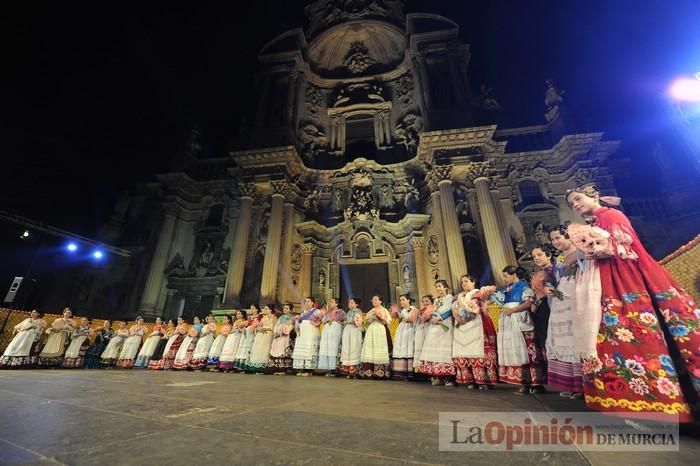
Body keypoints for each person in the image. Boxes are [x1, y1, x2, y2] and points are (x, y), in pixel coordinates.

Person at [566, 184, 700, 421]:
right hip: (608, 278)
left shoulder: (612, 215)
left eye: (577, 199)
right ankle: (636, 398)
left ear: (594, 194)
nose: (575, 205)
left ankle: (660, 400)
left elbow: (625, 247)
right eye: (571, 204)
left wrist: (593, 249)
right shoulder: (595, 223)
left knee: (635, 330)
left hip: (627, 278)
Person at [546, 225, 584, 399]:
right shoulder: (560, 258)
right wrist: (551, 289)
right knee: (562, 338)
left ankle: (584, 384)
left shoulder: (580, 251)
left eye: (558, 238)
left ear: (568, 236)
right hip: (561, 298)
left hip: (576, 295)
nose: (555, 242)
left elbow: (584, 273)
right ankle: (571, 383)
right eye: (553, 240)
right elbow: (557, 279)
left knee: (577, 337)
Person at [497, 266, 546, 394]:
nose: (504, 279)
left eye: (506, 276)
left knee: (529, 352)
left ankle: (537, 383)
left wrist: (512, 310)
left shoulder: (524, 287)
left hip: (522, 322)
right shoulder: (507, 289)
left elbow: (528, 303)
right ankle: (525, 381)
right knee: (518, 352)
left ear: (514, 274)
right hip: (510, 322)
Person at [452, 275, 498, 390]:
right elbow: (455, 309)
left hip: (477, 324)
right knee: (466, 351)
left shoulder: (478, 293)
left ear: (473, 282)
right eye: (462, 282)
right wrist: (458, 318)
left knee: (479, 350)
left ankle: (484, 380)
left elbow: (481, 306)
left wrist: (468, 315)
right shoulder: (459, 296)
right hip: (463, 327)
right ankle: (472, 379)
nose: (463, 284)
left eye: (466, 281)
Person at [419, 281, 456, 386]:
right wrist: (432, 317)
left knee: (444, 350)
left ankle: (449, 378)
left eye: (440, 286)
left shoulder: (449, 297)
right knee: (434, 349)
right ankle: (438, 376)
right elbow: (433, 310)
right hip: (434, 326)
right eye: (436, 287)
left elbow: (448, 310)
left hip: (444, 324)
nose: (438, 289)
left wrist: (439, 317)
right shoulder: (436, 300)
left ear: (445, 287)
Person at [530, 245, 554, 385]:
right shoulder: (538, 274)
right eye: (534, 257)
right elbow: (535, 292)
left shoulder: (555, 270)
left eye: (539, 255)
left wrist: (539, 299)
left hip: (550, 306)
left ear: (549, 255)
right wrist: (534, 300)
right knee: (543, 339)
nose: (536, 258)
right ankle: (549, 373)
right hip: (539, 310)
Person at [359, 295, 393, 379]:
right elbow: (366, 322)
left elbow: (388, 321)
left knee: (379, 348)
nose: (373, 301)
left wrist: (380, 318)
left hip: (380, 329)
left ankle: (379, 372)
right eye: (372, 300)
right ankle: (368, 372)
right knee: (370, 348)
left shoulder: (384, 310)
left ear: (380, 301)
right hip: (371, 330)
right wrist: (368, 319)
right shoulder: (371, 311)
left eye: (376, 299)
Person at [292, 297, 322, 376]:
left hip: (311, 332)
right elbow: (300, 322)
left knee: (310, 349)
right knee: (303, 350)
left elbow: (323, 318)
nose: (307, 303)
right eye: (305, 301)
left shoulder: (316, 311)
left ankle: (309, 370)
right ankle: (303, 368)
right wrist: (298, 320)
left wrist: (317, 323)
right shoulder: (303, 313)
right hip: (303, 334)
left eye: (309, 301)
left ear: (313, 303)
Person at [391, 294, 418, 379]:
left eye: (403, 299)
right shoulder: (402, 310)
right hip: (402, 328)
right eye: (400, 300)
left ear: (408, 300)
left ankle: (410, 372)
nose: (401, 302)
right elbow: (396, 317)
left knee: (408, 347)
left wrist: (403, 315)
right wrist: (395, 313)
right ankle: (400, 372)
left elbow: (412, 319)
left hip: (409, 329)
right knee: (400, 347)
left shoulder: (413, 309)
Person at [318, 298, 346, 376]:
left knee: (334, 347)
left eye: (332, 302)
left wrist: (332, 319)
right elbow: (323, 320)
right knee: (326, 347)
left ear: (336, 304)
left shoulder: (341, 312)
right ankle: (328, 368)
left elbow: (342, 320)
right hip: (327, 329)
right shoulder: (328, 312)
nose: (330, 303)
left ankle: (335, 369)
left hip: (335, 329)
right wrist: (327, 315)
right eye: (330, 302)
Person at [339, 297, 364, 378]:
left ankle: (354, 369)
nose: (350, 304)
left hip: (354, 330)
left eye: (352, 302)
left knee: (354, 347)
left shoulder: (358, 311)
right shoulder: (349, 312)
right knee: (347, 347)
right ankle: (347, 367)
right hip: (348, 329)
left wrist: (352, 321)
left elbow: (359, 322)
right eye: (349, 302)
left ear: (356, 304)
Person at [247, 305, 276, 373]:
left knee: (266, 349)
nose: (264, 310)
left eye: (266, 309)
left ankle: (265, 367)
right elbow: (257, 326)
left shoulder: (274, 317)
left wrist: (267, 329)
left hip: (269, 334)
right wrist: (259, 329)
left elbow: (274, 326)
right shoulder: (262, 318)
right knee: (259, 349)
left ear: (270, 310)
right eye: (264, 309)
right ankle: (257, 367)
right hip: (261, 334)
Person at [268, 304, 296, 375]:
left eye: (287, 308)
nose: (285, 310)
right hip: (278, 337)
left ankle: (283, 369)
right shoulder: (281, 317)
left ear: (291, 310)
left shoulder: (292, 318)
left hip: (285, 337)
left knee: (283, 350)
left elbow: (290, 327)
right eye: (284, 308)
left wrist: (281, 333)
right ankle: (275, 368)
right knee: (276, 350)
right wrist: (275, 332)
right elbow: (276, 325)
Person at [413, 295, 433, 377]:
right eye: (423, 301)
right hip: (421, 329)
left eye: (427, 301)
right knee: (420, 347)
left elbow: (426, 317)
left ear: (431, 301)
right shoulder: (422, 310)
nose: (425, 303)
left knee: (427, 348)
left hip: (428, 328)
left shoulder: (432, 308)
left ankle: (429, 371)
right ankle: (421, 371)